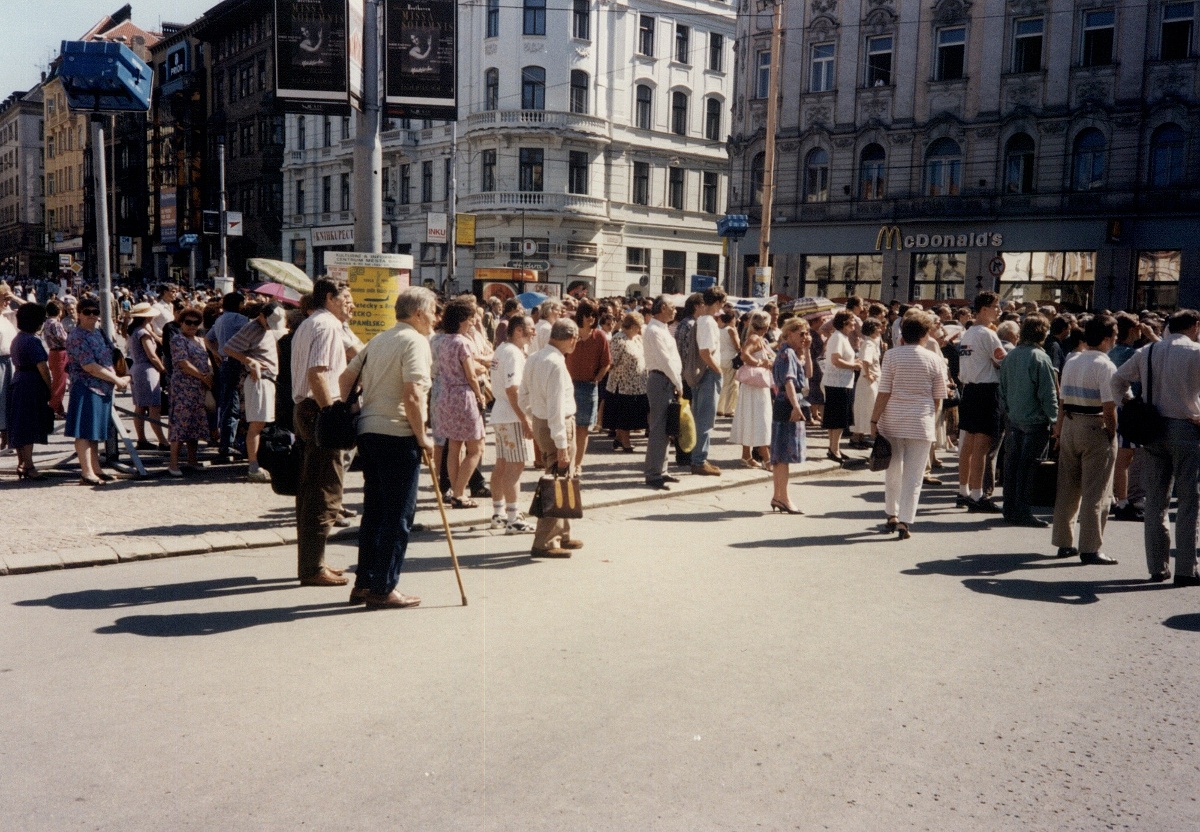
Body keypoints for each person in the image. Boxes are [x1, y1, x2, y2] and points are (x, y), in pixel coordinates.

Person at [339, 287, 436, 609]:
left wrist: (357, 410)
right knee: (398, 516)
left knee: (375, 513)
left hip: (369, 431)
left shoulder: (379, 339)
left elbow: (344, 379)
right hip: (398, 434)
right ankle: (384, 588)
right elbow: (412, 395)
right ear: (419, 313)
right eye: (433, 311)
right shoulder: (415, 342)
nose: (435, 318)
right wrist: (423, 437)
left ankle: (364, 584)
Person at [1112, 309, 1200, 586]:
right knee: (1188, 501)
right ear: (1195, 326)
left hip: (1152, 428)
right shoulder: (1196, 352)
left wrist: (1128, 403)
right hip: (1186, 427)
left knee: (1155, 501)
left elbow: (1117, 379)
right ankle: (1186, 568)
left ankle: (1157, 566)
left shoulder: (1149, 351)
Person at [291, 279, 355, 587]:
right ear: (329, 298)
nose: (350, 304)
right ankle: (312, 567)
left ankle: (313, 561)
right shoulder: (328, 326)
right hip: (318, 409)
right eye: (346, 298)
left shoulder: (309, 323)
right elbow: (317, 373)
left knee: (310, 489)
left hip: (304, 408)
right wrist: (331, 413)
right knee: (325, 492)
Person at [869, 313, 948, 540]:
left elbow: (884, 392)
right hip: (921, 422)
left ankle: (891, 514)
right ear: (925, 334)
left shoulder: (891, 356)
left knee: (893, 470)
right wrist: (931, 420)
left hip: (892, 420)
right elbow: (938, 397)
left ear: (902, 334)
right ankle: (905, 521)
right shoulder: (934, 359)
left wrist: (874, 420)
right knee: (914, 476)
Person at [1051, 315, 1119, 566]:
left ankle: (1063, 541)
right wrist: (1111, 434)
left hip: (1070, 423)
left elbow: (1062, 400)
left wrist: (1058, 430)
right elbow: (1109, 406)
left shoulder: (1072, 360)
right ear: (1105, 339)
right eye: (1114, 335)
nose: (1115, 339)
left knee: (1068, 487)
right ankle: (1090, 547)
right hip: (1095, 425)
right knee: (1096, 490)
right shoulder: (1106, 365)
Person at [518, 318, 583, 558]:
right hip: (559, 425)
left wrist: (533, 416)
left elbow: (522, 394)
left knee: (563, 478)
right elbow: (556, 407)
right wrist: (562, 445)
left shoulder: (535, 357)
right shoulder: (556, 363)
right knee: (558, 479)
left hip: (542, 422)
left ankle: (563, 533)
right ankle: (545, 541)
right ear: (571, 338)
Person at [997, 313, 1059, 528]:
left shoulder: (1011, 355)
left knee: (1013, 465)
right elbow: (1048, 393)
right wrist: (1055, 419)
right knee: (1028, 468)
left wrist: (1009, 410)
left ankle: (1010, 507)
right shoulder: (1040, 358)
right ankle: (1023, 510)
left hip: (1015, 417)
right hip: (1034, 419)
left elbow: (1002, 388)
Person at [64, 299, 130, 485]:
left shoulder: (99, 332)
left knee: (94, 432)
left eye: (95, 311)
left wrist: (122, 374)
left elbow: (112, 354)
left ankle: (96, 469)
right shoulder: (77, 336)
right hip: (86, 387)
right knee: (84, 432)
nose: (92, 315)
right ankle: (86, 472)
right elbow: (89, 366)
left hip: (102, 388)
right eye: (87, 312)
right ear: (78, 314)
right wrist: (116, 379)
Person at [431, 297, 487, 508]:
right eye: (471, 318)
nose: (473, 322)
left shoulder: (442, 340)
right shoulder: (463, 342)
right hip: (463, 396)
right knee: (475, 448)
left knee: (454, 446)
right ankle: (460, 492)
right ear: (462, 319)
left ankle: (456, 491)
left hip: (446, 395)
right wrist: (480, 396)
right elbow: (471, 375)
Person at [222, 302, 286, 482]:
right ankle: (253, 466)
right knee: (256, 424)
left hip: (267, 379)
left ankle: (256, 463)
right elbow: (228, 348)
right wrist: (251, 362)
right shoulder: (252, 327)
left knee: (260, 423)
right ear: (262, 316)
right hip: (259, 380)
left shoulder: (265, 328)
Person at [956, 292, 1006, 512]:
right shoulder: (988, 334)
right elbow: (1001, 361)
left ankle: (963, 490)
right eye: (996, 306)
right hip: (986, 390)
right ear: (984, 309)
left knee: (968, 442)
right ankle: (978, 496)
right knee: (982, 446)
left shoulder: (968, 333)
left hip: (969, 390)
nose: (999, 310)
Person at [488, 314, 536, 534]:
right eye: (530, 328)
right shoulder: (514, 354)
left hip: (501, 413)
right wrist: (524, 418)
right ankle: (513, 517)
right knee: (515, 467)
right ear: (518, 330)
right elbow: (512, 389)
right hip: (512, 414)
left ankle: (498, 513)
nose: (534, 332)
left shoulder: (501, 349)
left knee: (502, 465)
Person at [770, 318, 813, 513]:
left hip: (787, 402)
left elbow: (809, 374)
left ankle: (779, 496)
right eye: (801, 333)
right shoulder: (787, 353)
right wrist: (795, 407)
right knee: (783, 455)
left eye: (806, 333)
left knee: (781, 456)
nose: (805, 337)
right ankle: (783, 498)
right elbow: (788, 382)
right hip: (787, 403)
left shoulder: (792, 354)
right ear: (788, 334)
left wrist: (807, 350)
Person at [7, 303, 52, 480]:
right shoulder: (33, 341)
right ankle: (29, 466)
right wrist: (50, 388)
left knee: (19, 424)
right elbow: (43, 368)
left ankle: (21, 463)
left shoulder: (18, 339)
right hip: (32, 382)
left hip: (18, 379)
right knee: (29, 426)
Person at [565, 299, 612, 470]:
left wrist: (597, 379)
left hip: (588, 387)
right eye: (587, 315)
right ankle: (566, 463)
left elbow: (606, 362)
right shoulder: (572, 334)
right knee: (567, 427)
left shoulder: (599, 336)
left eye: (594, 315)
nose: (591, 318)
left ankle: (577, 464)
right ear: (580, 315)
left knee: (583, 429)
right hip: (569, 386)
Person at [643, 296, 683, 490]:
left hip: (667, 380)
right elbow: (665, 360)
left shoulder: (662, 329)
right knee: (659, 428)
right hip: (661, 379)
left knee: (667, 428)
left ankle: (662, 469)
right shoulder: (653, 330)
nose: (675, 311)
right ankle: (653, 474)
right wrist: (677, 381)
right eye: (673, 307)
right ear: (664, 307)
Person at [167, 309, 213, 477]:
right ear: (181, 323)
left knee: (195, 423)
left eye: (195, 322)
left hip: (198, 387)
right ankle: (173, 463)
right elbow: (182, 363)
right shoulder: (178, 339)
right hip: (183, 387)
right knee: (180, 424)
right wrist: (202, 377)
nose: (192, 326)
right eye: (188, 322)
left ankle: (192, 460)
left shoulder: (199, 340)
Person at [206, 293, 249, 463]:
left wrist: (216, 353)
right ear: (239, 303)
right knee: (235, 405)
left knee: (227, 403)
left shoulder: (220, 320)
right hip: (237, 363)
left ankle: (227, 441)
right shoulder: (240, 319)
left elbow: (208, 339)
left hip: (225, 362)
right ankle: (229, 443)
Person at [690, 286, 727, 476]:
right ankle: (699, 460)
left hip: (703, 374)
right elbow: (705, 352)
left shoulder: (702, 320)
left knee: (701, 417)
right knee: (705, 419)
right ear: (719, 303)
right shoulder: (708, 322)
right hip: (708, 374)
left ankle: (698, 456)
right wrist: (718, 370)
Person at [732, 310, 774, 470]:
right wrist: (759, 363)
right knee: (760, 419)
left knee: (749, 417)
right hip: (756, 385)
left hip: (753, 385)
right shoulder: (755, 338)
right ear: (766, 325)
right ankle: (767, 458)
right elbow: (744, 355)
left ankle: (746, 455)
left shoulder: (756, 338)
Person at [603, 312, 649, 453]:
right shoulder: (618, 339)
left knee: (633, 414)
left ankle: (619, 438)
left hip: (638, 385)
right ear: (633, 326)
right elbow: (612, 362)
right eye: (639, 326)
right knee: (625, 415)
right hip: (622, 385)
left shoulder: (637, 339)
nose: (641, 329)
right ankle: (625, 441)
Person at [125, 302, 168, 450]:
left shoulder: (134, 331)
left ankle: (142, 439)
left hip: (136, 368)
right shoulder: (143, 333)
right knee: (154, 406)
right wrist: (163, 369)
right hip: (147, 370)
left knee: (140, 406)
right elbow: (152, 355)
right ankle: (163, 440)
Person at [822, 310, 862, 464]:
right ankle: (834, 449)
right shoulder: (838, 337)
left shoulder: (841, 337)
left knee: (835, 418)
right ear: (845, 323)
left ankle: (834, 447)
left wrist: (853, 363)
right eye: (852, 321)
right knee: (838, 418)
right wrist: (853, 365)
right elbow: (835, 360)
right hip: (838, 383)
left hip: (839, 382)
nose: (854, 324)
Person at [850, 318, 883, 447]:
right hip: (868, 381)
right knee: (865, 408)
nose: (880, 330)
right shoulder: (869, 344)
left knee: (866, 408)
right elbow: (866, 361)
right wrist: (868, 374)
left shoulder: (871, 343)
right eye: (878, 327)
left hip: (871, 380)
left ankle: (860, 437)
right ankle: (856, 437)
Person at [43, 300, 69, 418]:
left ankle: (59, 409)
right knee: (60, 384)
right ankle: (52, 409)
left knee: (57, 381)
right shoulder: (56, 324)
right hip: (60, 353)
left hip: (53, 353)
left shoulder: (47, 323)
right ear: (59, 311)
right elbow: (63, 338)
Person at [716, 310, 741, 417]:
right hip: (731, 358)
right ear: (732, 319)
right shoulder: (731, 330)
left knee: (722, 384)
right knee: (732, 385)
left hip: (720, 358)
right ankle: (729, 409)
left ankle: (719, 408)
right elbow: (737, 346)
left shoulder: (719, 330)